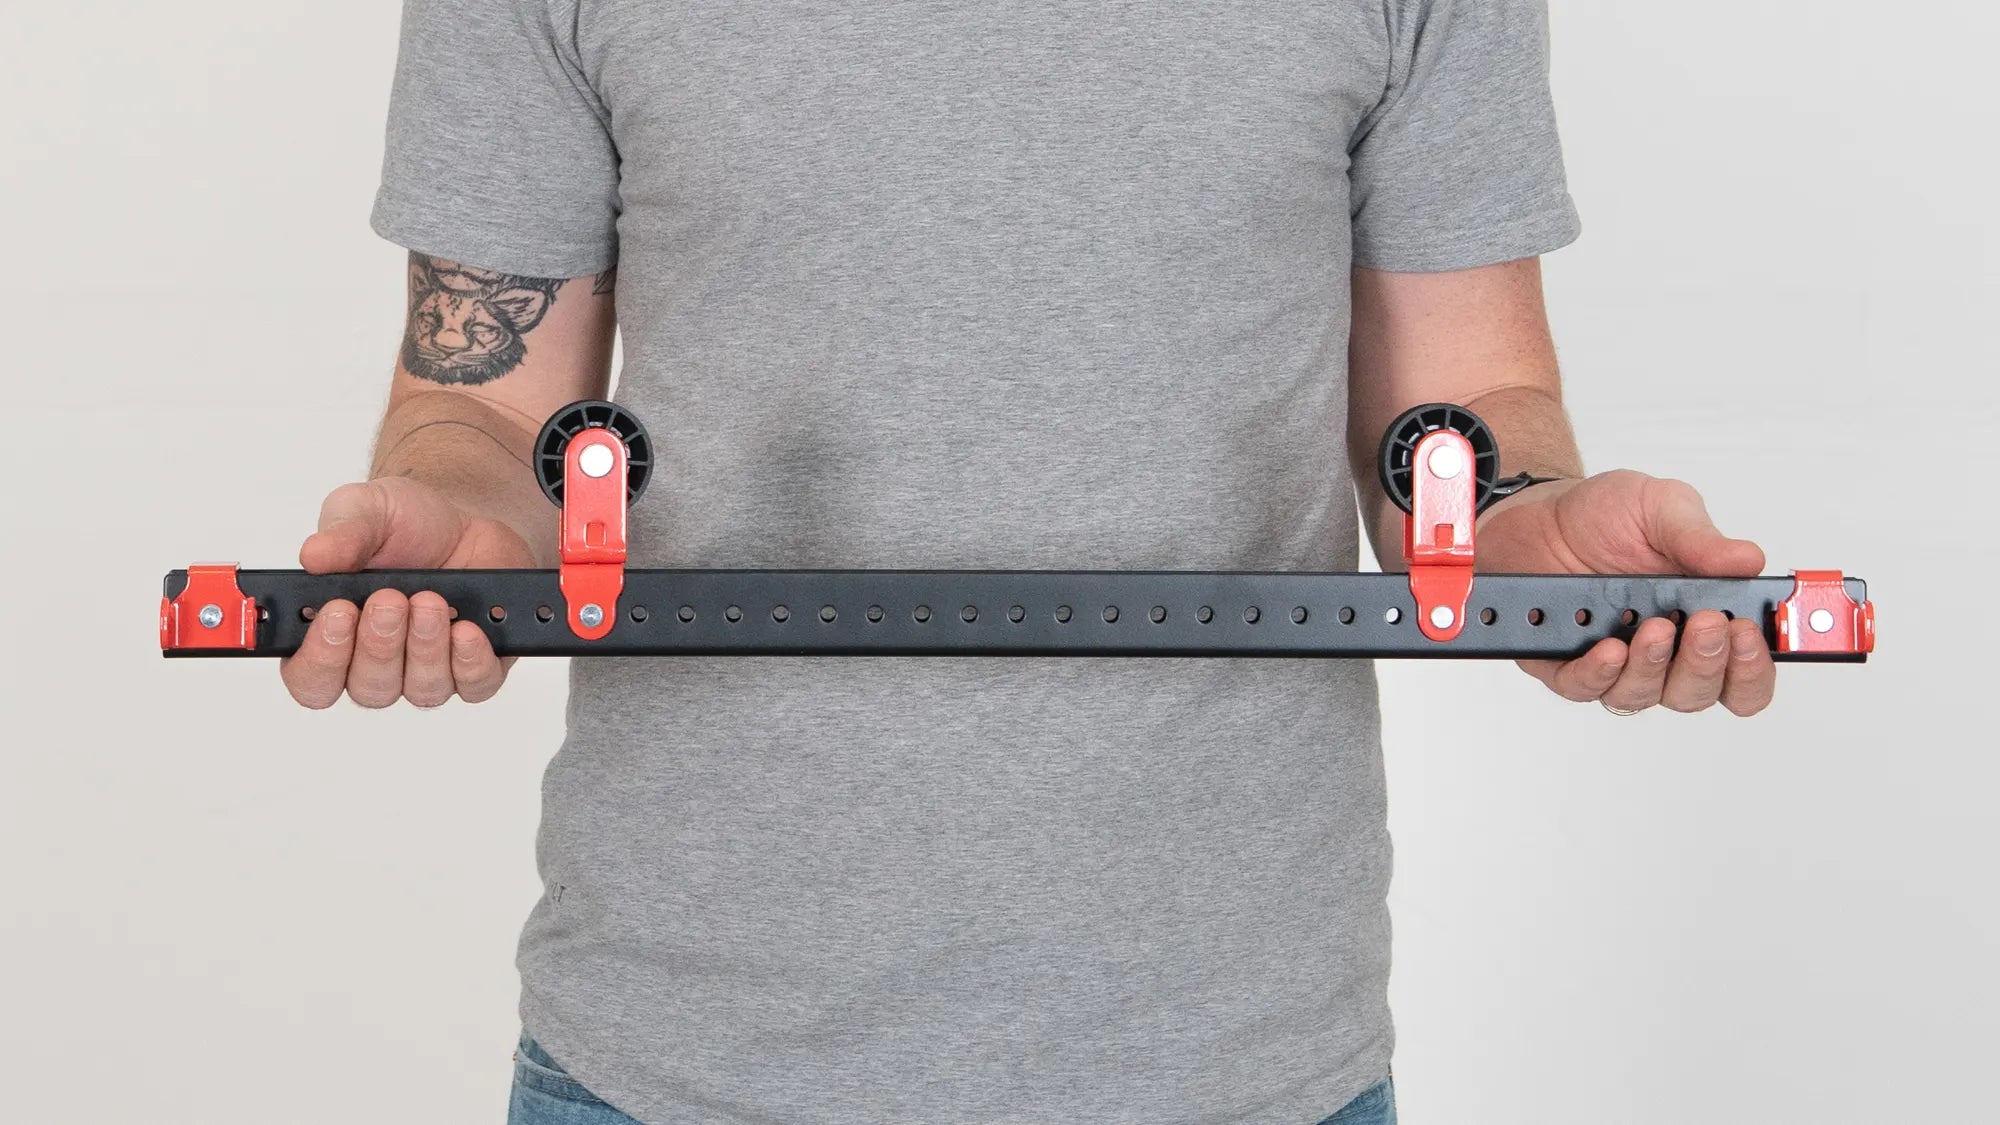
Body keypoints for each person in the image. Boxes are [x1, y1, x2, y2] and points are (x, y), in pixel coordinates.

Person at [281, 2, 1777, 1122]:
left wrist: (1527, 528)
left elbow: (1471, 403)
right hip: (675, 1052)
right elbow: (481, 401)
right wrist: (460, 523)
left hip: (1241, 1055)